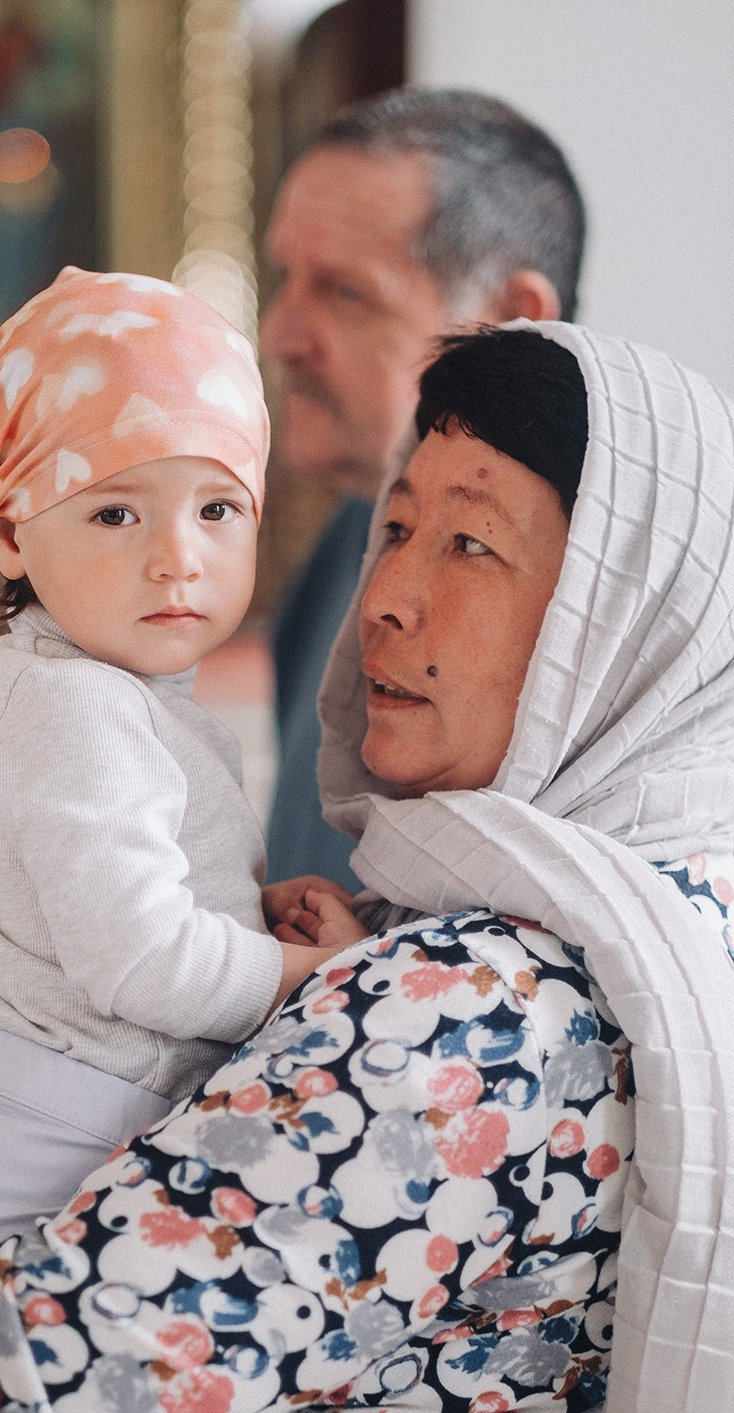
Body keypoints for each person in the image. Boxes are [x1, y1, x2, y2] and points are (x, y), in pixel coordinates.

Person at [0, 320, 734, 1413]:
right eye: (397, 529)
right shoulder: (673, 902)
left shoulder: (466, 1007)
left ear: (622, 618)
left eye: (471, 543)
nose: (386, 595)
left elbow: (19, 1405)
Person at [0, 266, 362, 1413]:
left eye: (217, 508)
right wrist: (294, 979)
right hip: (47, 1142)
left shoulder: (108, 690)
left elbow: (143, 891)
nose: (177, 557)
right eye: (116, 511)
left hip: (58, 1121)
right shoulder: (75, 709)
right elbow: (140, 965)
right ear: (12, 527)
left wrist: (258, 912)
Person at [261, 86, 586, 892]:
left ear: (508, 317)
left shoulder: (589, 633)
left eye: (344, 291)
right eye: (285, 277)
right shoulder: (347, 534)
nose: (278, 335)